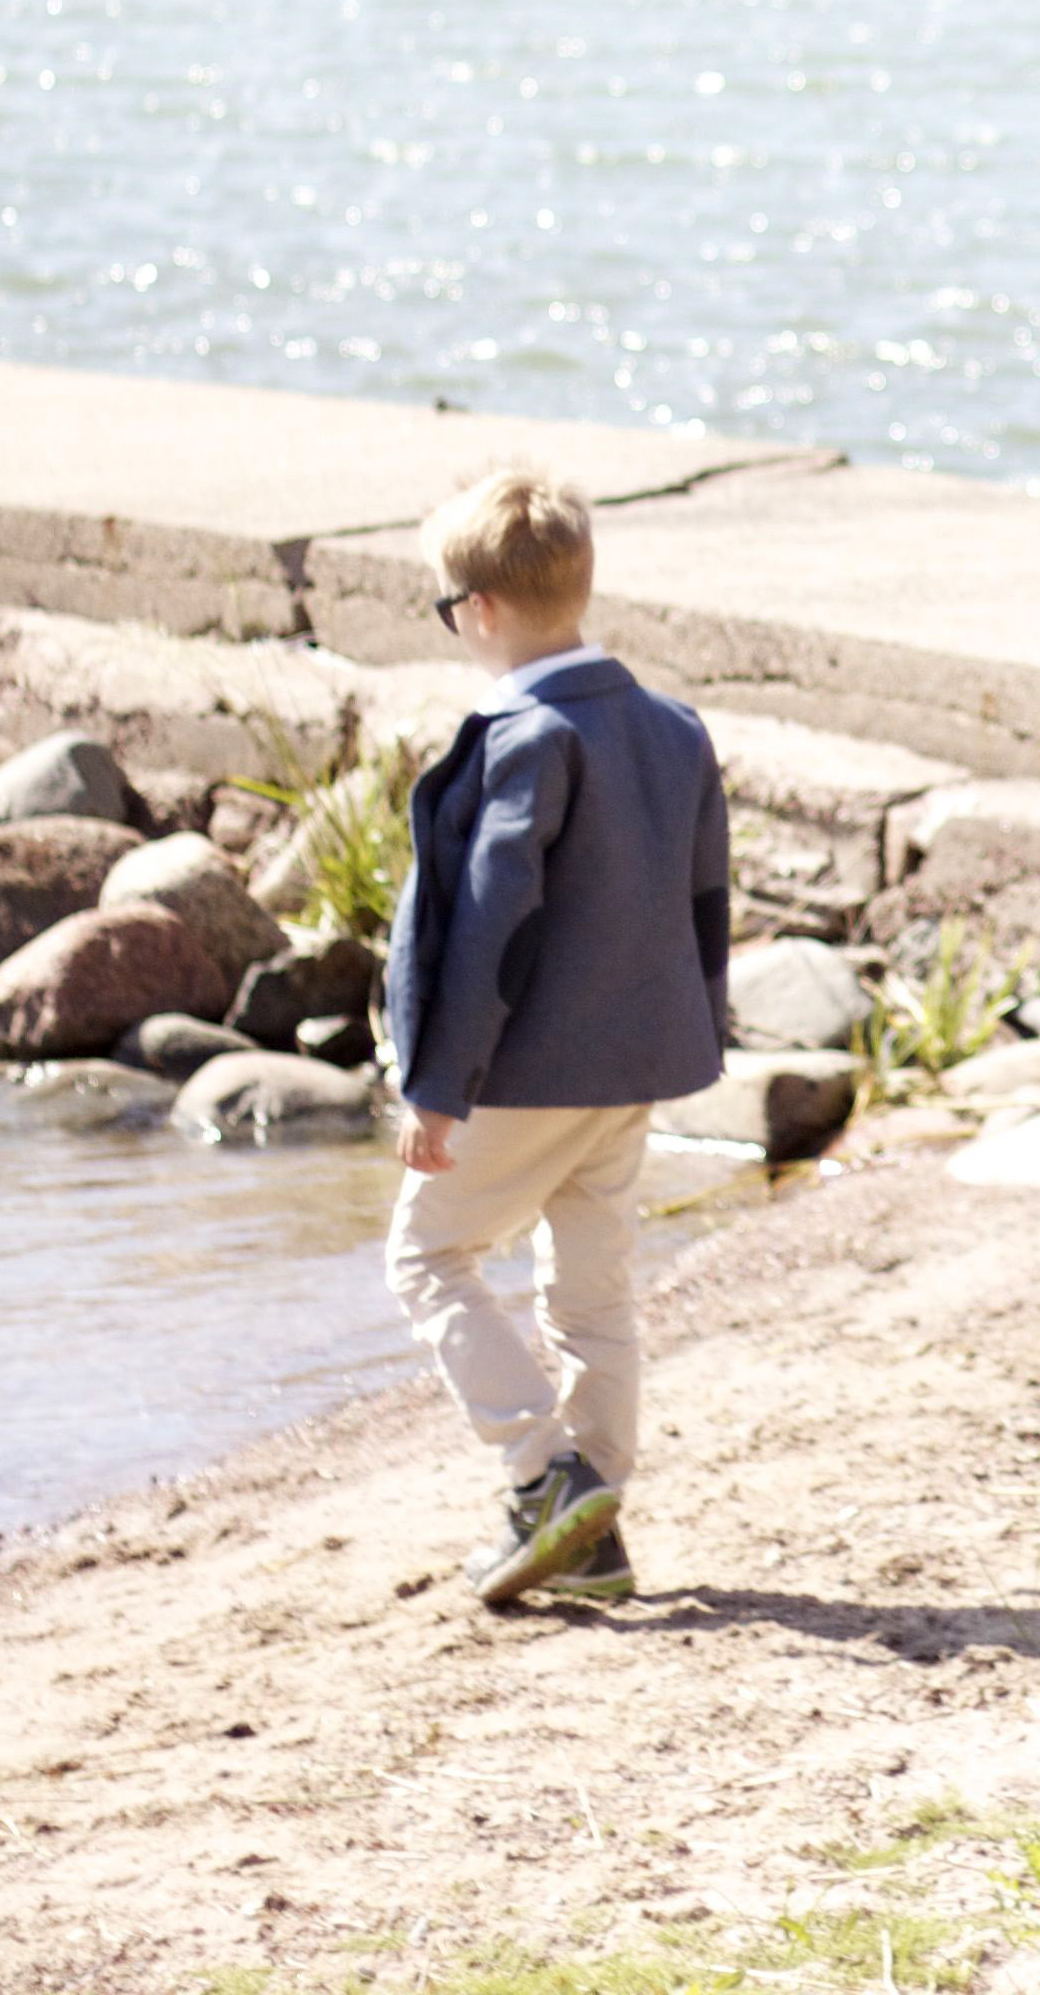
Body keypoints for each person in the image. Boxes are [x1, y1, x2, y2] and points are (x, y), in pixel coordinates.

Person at [380, 463, 733, 1610]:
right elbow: (704, 900)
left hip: (525, 1070)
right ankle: (596, 1532)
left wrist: (438, 1083)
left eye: (446, 610)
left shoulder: (523, 738)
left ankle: (544, 1474)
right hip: (634, 1062)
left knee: (428, 1258)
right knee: (590, 1292)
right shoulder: (672, 730)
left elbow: (488, 925)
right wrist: (693, 1032)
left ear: (480, 609)